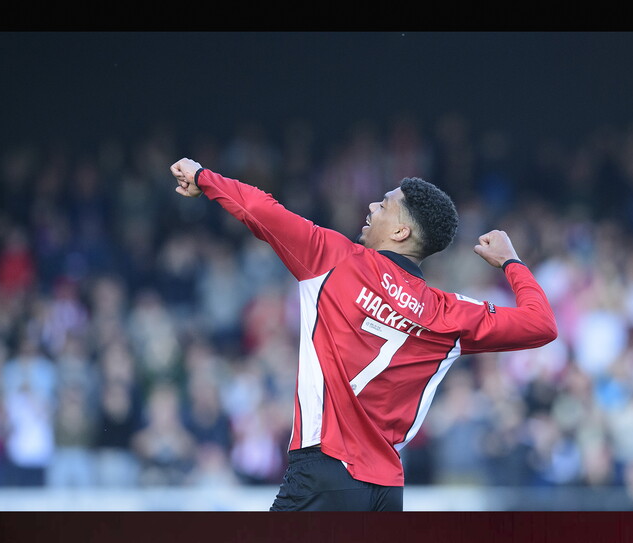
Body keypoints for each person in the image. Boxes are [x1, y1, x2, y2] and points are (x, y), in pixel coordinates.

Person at [170, 157, 558, 511]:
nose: (372, 207)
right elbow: (541, 324)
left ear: (401, 231)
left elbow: (260, 210)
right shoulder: (449, 313)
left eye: (384, 204)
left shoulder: (334, 258)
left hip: (325, 472)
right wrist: (510, 262)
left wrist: (204, 178)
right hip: (386, 491)